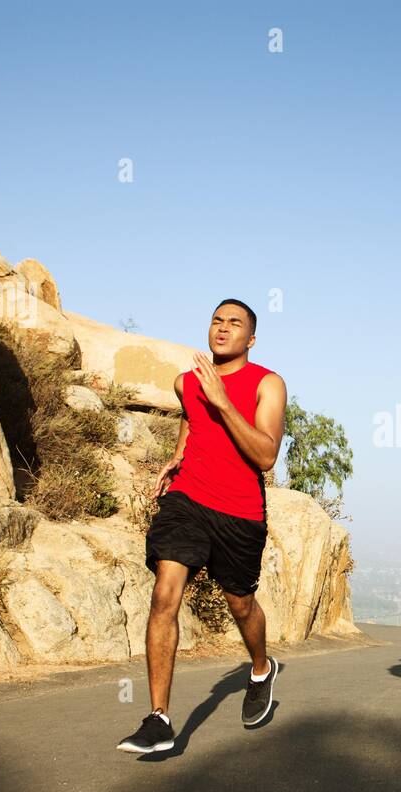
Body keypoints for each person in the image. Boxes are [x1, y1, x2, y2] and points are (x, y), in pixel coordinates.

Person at [117, 298, 287, 753]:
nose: (222, 328)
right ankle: (158, 719)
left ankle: (259, 668)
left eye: (234, 324)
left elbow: (266, 456)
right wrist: (176, 458)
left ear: (250, 339)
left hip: (240, 512)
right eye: (216, 321)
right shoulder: (186, 382)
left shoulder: (266, 385)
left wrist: (224, 402)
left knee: (242, 605)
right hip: (187, 500)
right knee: (164, 594)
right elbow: (191, 422)